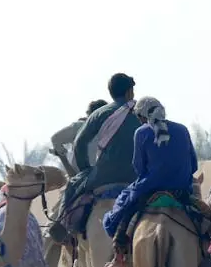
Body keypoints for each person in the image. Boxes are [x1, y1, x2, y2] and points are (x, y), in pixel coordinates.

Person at [101, 96, 200, 267]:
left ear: (142, 116)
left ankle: (119, 253)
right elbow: (193, 165)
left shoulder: (141, 133)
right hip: (181, 191)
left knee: (123, 207)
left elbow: (139, 168)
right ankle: (208, 252)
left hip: (149, 189)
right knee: (204, 217)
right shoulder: (183, 129)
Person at [46, 73, 141, 246]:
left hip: (102, 177)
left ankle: (62, 229)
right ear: (129, 92)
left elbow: (79, 144)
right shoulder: (140, 114)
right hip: (136, 178)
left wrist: (85, 170)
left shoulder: (98, 115)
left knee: (73, 186)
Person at [49, 99, 109, 175]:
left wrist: (61, 153)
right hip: (101, 178)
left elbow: (55, 139)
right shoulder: (110, 131)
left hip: (78, 177)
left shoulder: (80, 126)